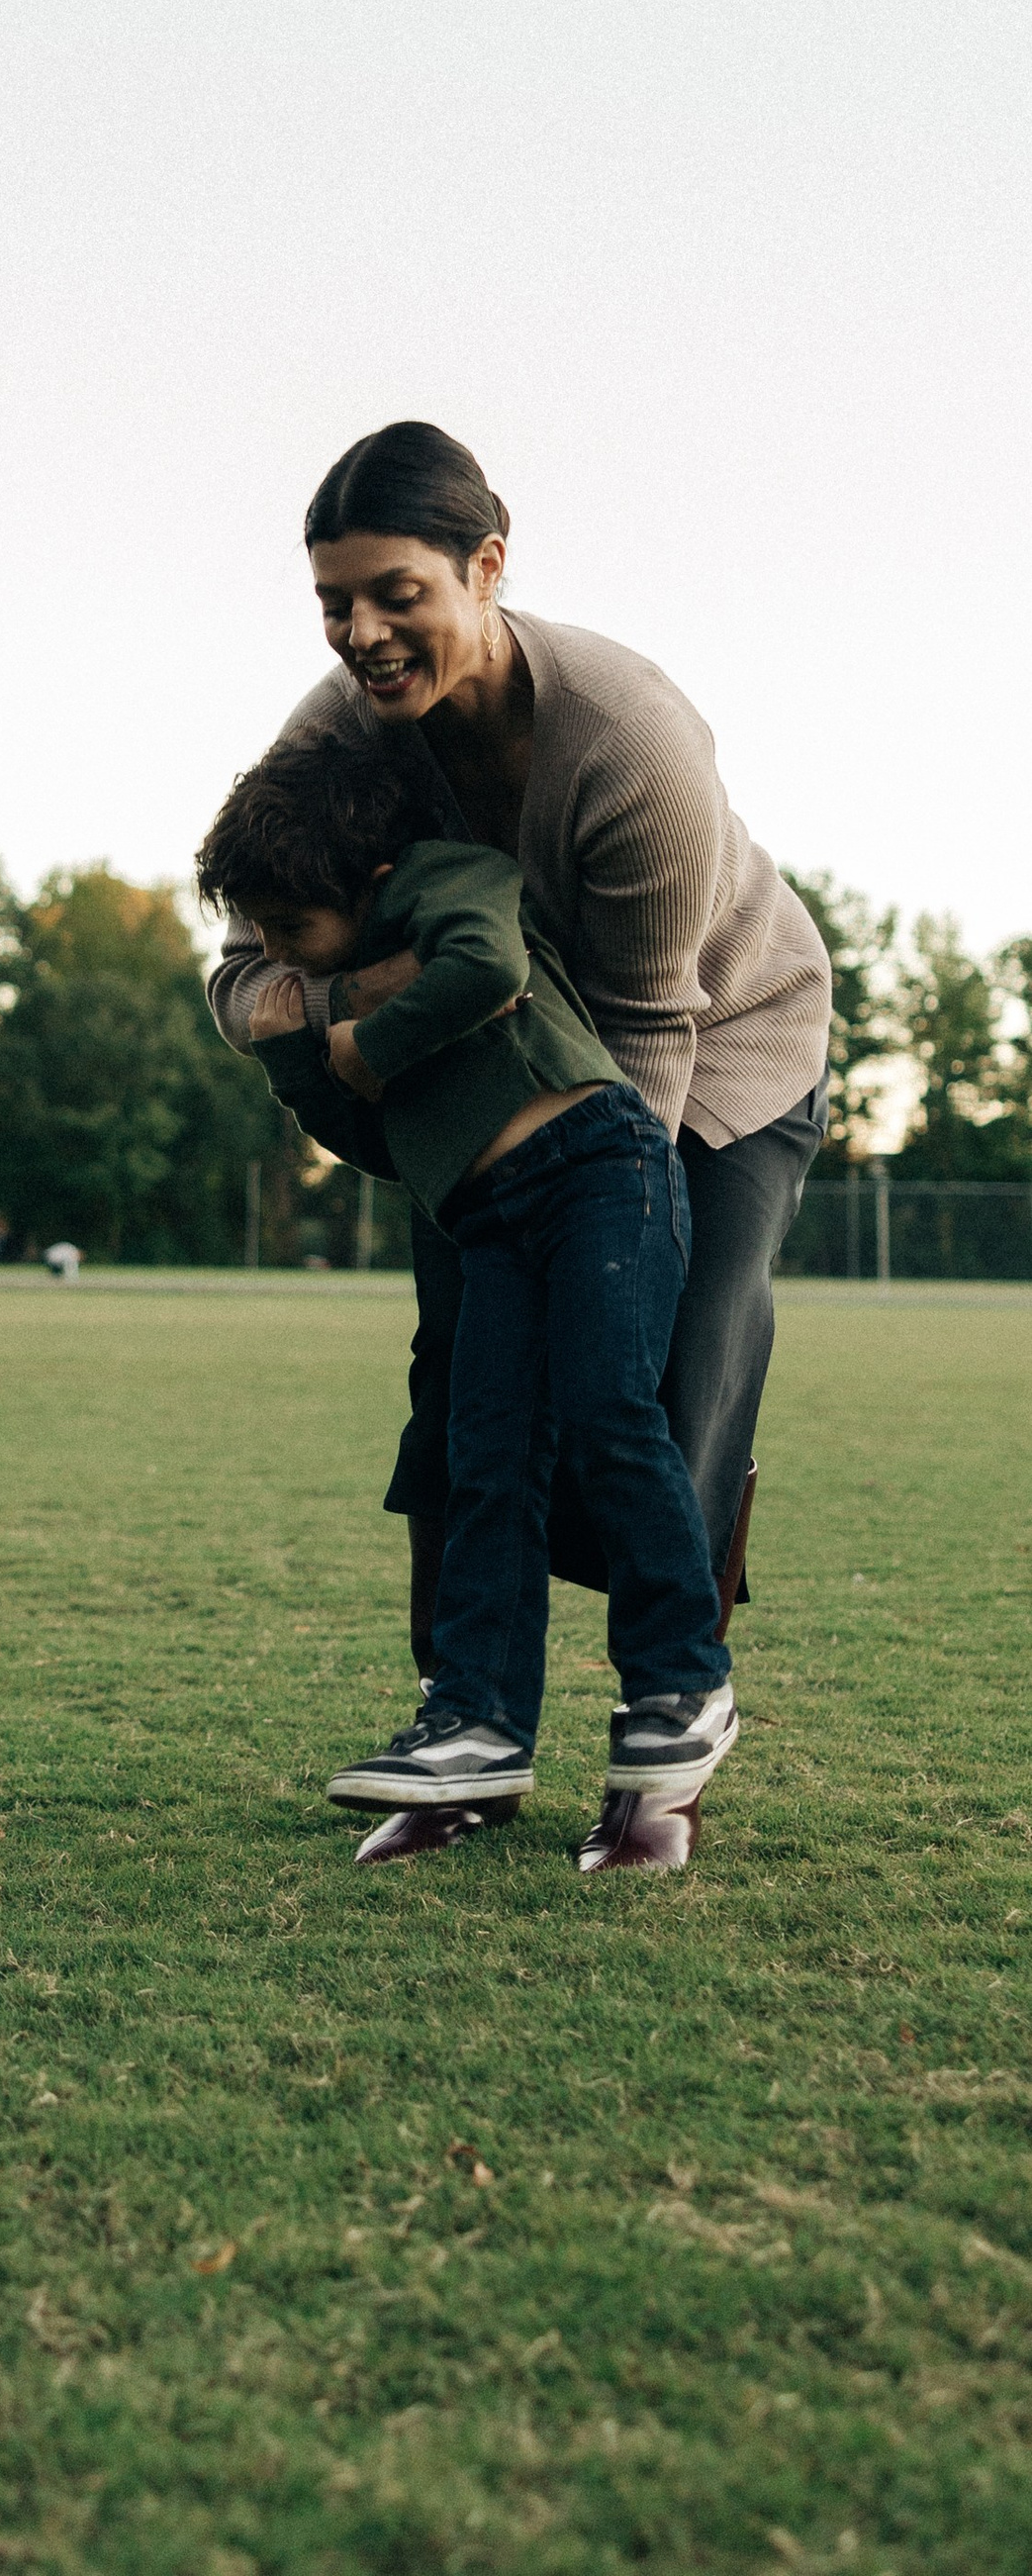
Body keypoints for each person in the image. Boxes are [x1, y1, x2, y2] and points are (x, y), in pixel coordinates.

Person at [208, 422, 829, 1866]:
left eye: (397, 594)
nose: (363, 633)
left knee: (644, 1377)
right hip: (481, 1082)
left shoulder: (630, 739)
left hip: (706, 1051)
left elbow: (648, 1028)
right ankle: (468, 1730)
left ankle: (662, 1748)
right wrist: (322, 1010)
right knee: (466, 1393)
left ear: (488, 565)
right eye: (334, 603)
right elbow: (246, 956)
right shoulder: (337, 733)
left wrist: (599, 1245)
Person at [198, 727, 738, 1857]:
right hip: (487, 1222)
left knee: (606, 1417)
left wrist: (368, 1036)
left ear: (372, 884)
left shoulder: (453, 879)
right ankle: (477, 1719)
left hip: (599, 1170)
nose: (279, 959)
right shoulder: (327, 981)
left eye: (293, 931)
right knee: (481, 1459)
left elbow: (487, 969)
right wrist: (302, 1049)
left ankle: (684, 1682)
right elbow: (361, 1124)